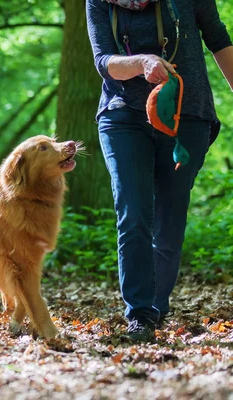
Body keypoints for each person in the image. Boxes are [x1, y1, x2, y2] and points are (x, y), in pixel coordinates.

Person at [86, 0, 233, 342]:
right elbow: (103, 61)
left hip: (186, 115)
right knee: (133, 212)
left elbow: (219, 42)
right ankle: (140, 313)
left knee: (169, 216)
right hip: (122, 114)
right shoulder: (99, 2)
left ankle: (156, 306)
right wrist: (142, 62)